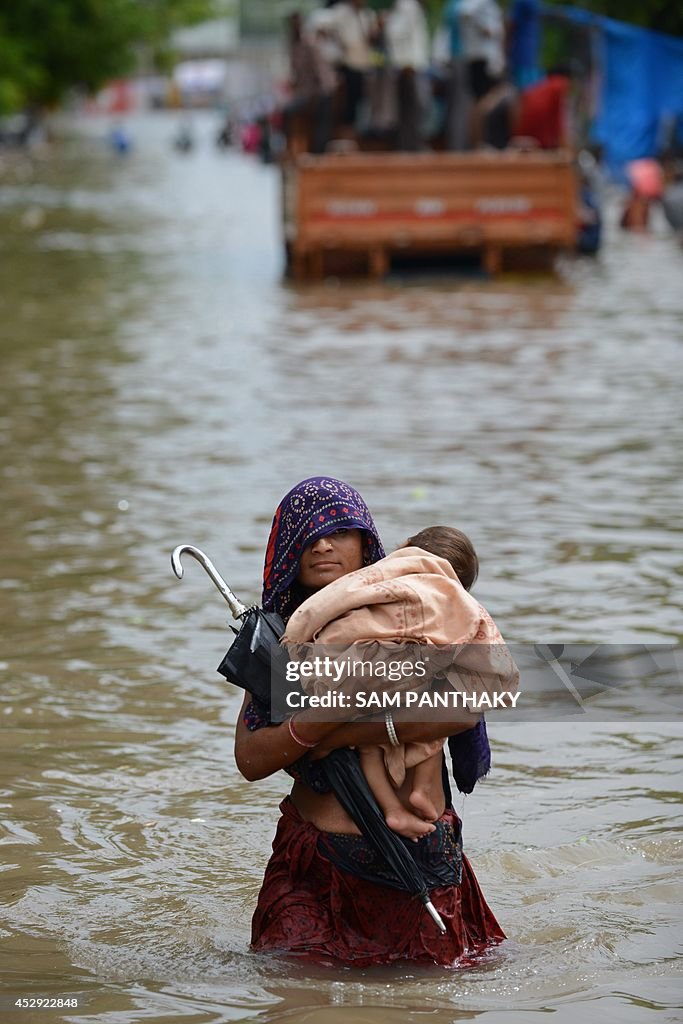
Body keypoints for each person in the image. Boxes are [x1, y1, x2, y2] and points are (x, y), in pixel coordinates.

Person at [234, 476, 507, 966]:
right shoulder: (279, 642)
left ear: (367, 546)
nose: (322, 544)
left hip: (420, 865)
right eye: (307, 535)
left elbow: (458, 711)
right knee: (296, 998)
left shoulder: (420, 617)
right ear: (286, 552)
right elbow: (252, 759)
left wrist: (331, 731)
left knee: (429, 1001)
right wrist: (322, 721)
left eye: (340, 530)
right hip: (314, 870)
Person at [283, 524, 516, 841]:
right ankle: (418, 790)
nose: (323, 546)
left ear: (404, 546)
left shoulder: (379, 579)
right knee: (427, 724)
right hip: (406, 679)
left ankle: (394, 809)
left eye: (339, 534)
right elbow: (482, 668)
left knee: (370, 748)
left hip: (354, 674)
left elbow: (332, 602)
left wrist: (296, 633)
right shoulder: (454, 603)